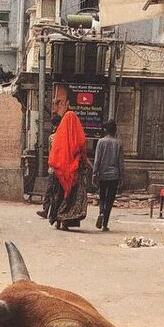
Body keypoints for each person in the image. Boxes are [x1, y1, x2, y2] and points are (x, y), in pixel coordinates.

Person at [45, 83, 89, 230]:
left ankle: (57, 221)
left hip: (59, 171)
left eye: (59, 102)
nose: (56, 106)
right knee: (69, 197)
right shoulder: (73, 124)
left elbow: (54, 154)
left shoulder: (58, 134)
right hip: (72, 171)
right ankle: (65, 221)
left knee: (58, 195)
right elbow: (81, 144)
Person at [92, 120, 124, 232]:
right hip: (114, 175)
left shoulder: (101, 142)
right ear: (115, 130)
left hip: (103, 174)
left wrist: (94, 174)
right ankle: (105, 224)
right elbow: (120, 162)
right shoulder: (118, 143)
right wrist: (121, 177)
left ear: (105, 130)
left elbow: (97, 160)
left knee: (102, 197)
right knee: (110, 199)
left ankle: (101, 211)